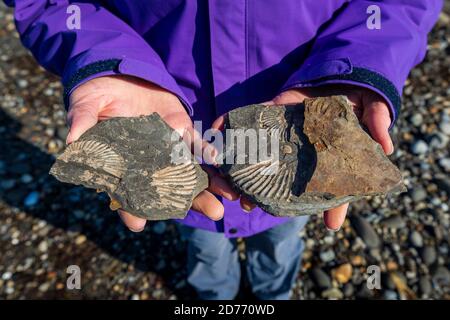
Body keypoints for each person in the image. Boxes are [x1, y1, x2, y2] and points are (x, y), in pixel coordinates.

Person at [6, 0, 442, 299]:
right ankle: (216, 296)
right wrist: (106, 60)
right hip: (183, 143)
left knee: (280, 236)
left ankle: (272, 295)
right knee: (205, 242)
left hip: (286, 146)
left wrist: (357, 66)